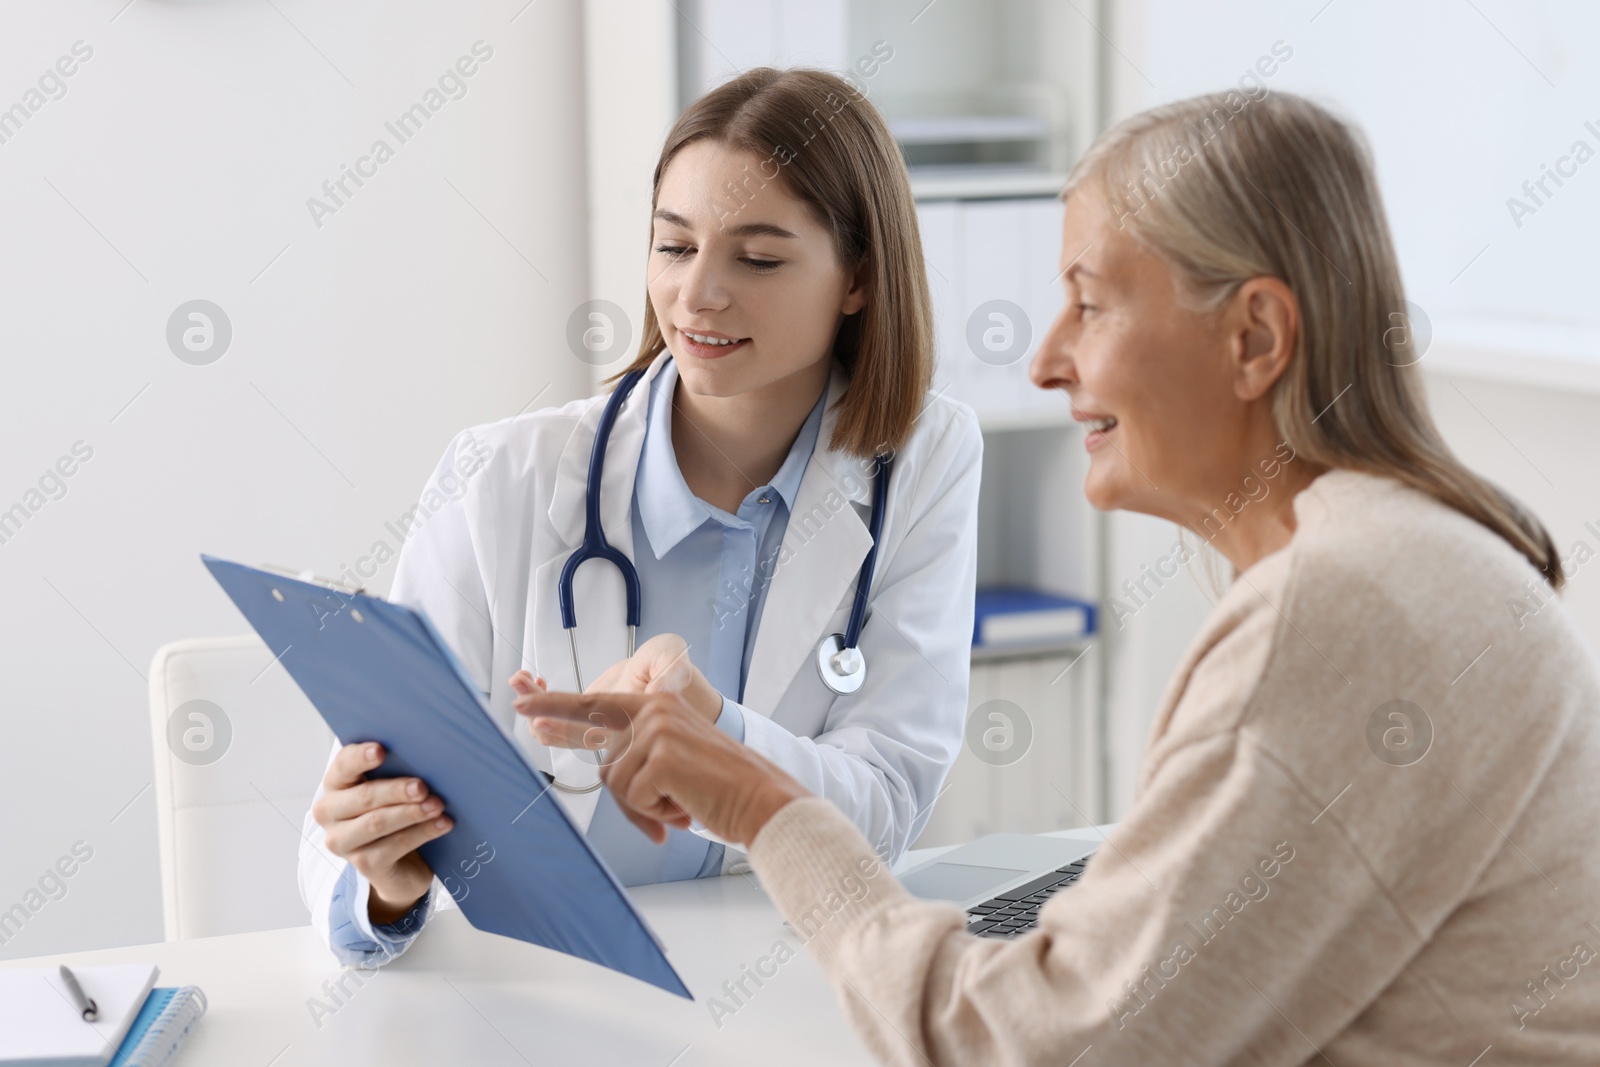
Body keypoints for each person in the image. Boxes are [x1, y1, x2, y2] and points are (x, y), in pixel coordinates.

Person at [521, 89, 1600, 1063]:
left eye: (1089, 302)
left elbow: (1026, 1049)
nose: (1045, 358)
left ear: (1254, 335)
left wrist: (764, 805)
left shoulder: (1343, 602)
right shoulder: (1407, 551)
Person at [297, 67, 983, 968]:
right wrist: (384, 883)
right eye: (674, 247)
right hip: (542, 985)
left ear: (858, 278)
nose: (699, 295)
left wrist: (716, 735)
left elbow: (887, 805)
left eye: (758, 257)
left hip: (780, 979)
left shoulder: (923, 456)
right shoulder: (498, 476)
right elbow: (349, 820)